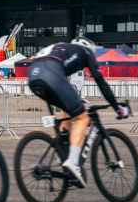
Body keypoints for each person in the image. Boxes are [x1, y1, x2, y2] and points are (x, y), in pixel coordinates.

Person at [27, 37, 130, 188]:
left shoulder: (62, 49)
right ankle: (73, 163)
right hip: (51, 71)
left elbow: (65, 87)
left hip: (33, 75)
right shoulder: (86, 52)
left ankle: (62, 155)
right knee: (82, 118)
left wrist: (78, 100)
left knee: (68, 113)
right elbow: (101, 82)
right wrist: (117, 107)